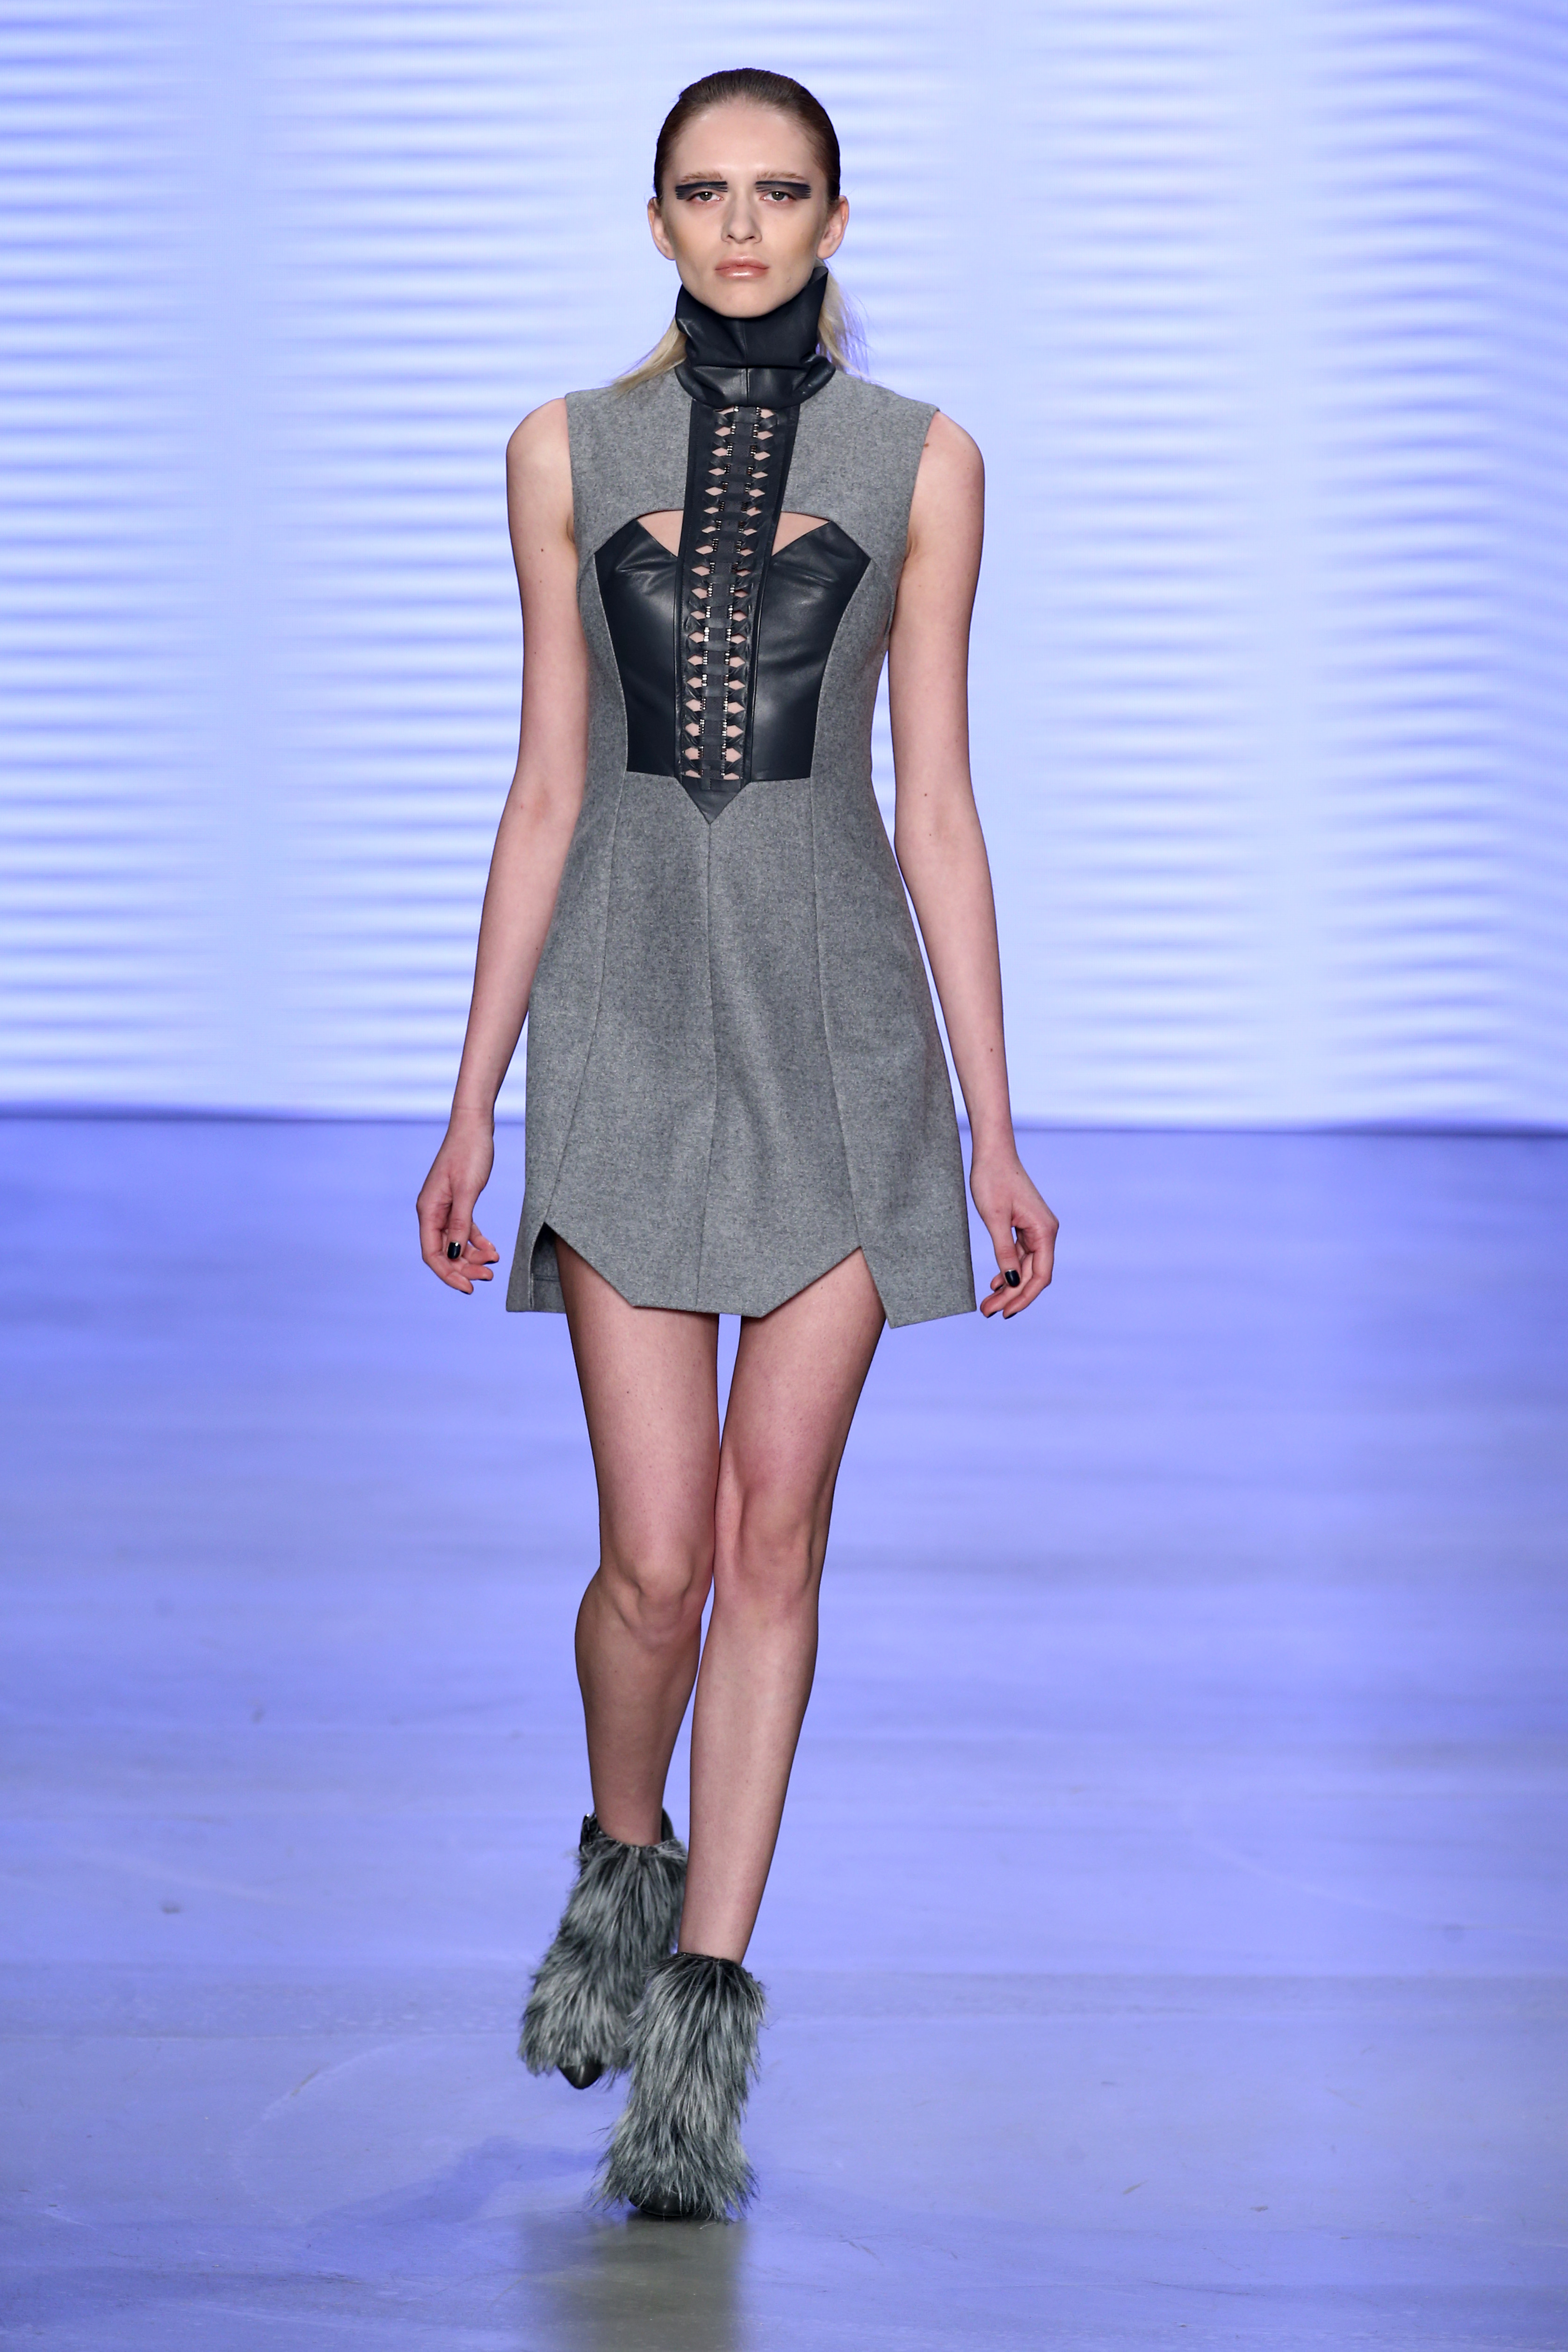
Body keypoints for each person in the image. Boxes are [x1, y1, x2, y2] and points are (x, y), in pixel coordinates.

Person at [416, 66, 1057, 2221]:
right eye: (705, 191)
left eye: (780, 191)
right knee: (658, 1560)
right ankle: (621, 1856)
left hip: (841, 1040)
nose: (744, 226)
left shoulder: (925, 462)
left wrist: (992, 1131)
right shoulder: (559, 451)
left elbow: (934, 802)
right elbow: (544, 785)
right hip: (623, 1024)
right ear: (657, 220)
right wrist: (469, 1096)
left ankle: (692, 2039)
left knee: (774, 1544)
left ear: (835, 217)